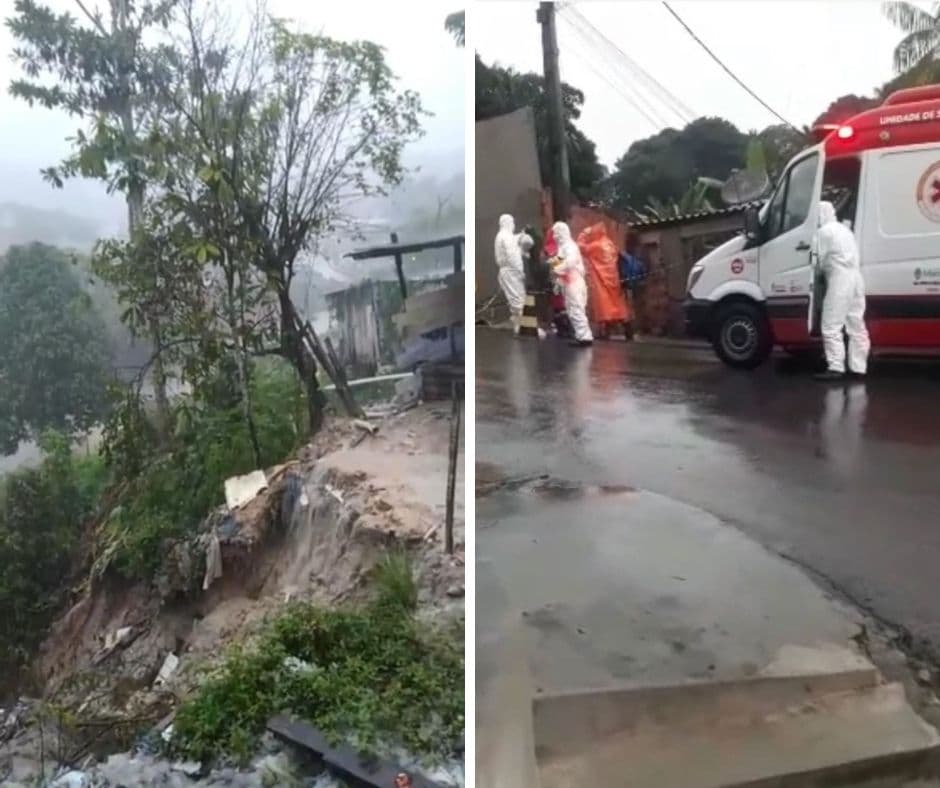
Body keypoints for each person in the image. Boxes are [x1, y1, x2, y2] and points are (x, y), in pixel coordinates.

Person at [814, 200, 870, 381]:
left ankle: (836, 367)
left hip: (839, 279)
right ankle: (858, 367)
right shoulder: (846, 230)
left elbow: (818, 262)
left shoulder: (823, 232)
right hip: (856, 279)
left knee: (831, 324)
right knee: (856, 324)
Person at [577, 223, 631, 340]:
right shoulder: (610, 244)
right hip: (614, 280)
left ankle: (604, 332)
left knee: (604, 307)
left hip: (602, 281)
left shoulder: (595, 246)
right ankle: (628, 330)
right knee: (619, 306)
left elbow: (580, 247)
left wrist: (585, 233)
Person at [550, 221, 593, 347]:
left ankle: (585, 337)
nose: (555, 236)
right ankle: (581, 336)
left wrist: (557, 269)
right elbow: (557, 262)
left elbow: (570, 262)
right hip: (569, 282)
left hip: (574, 281)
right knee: (572, 309)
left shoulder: (570, 246)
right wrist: (557, 279)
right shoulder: (563, 248)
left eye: (557, 234)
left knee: (576, 308)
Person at [494, 214, 526, 334]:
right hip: (512, 272)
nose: (514, 225)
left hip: (507, 272)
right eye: (512, 222)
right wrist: (520, 271)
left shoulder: (502, 236)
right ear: (508, 223)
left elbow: (513, 243)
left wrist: (520, 236)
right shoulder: (506, 237)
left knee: (515, 300)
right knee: (519, 300)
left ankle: (520, 326)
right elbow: (513, 255)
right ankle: (524, 327)